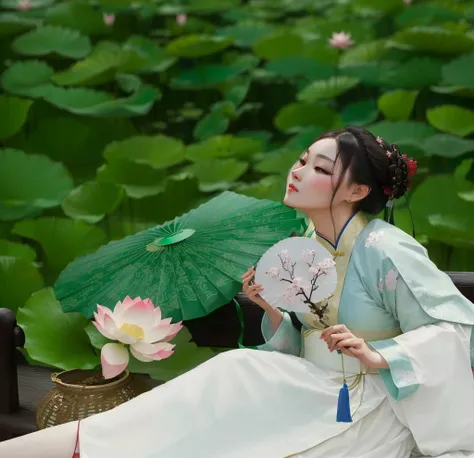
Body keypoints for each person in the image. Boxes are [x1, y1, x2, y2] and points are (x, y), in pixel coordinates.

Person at [2, 126, 474, 458]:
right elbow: (300, 342)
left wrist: (379, 354)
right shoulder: (306, 246)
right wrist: (271, 311)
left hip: (367, 403)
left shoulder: (388, 248)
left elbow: (457, 328)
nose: (299, 169)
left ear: (356, 191)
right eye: (303, 159)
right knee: (237, 371)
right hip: (311, 386)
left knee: (236, 373)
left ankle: (73, 447)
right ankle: (77, 445)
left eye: (320, 168)